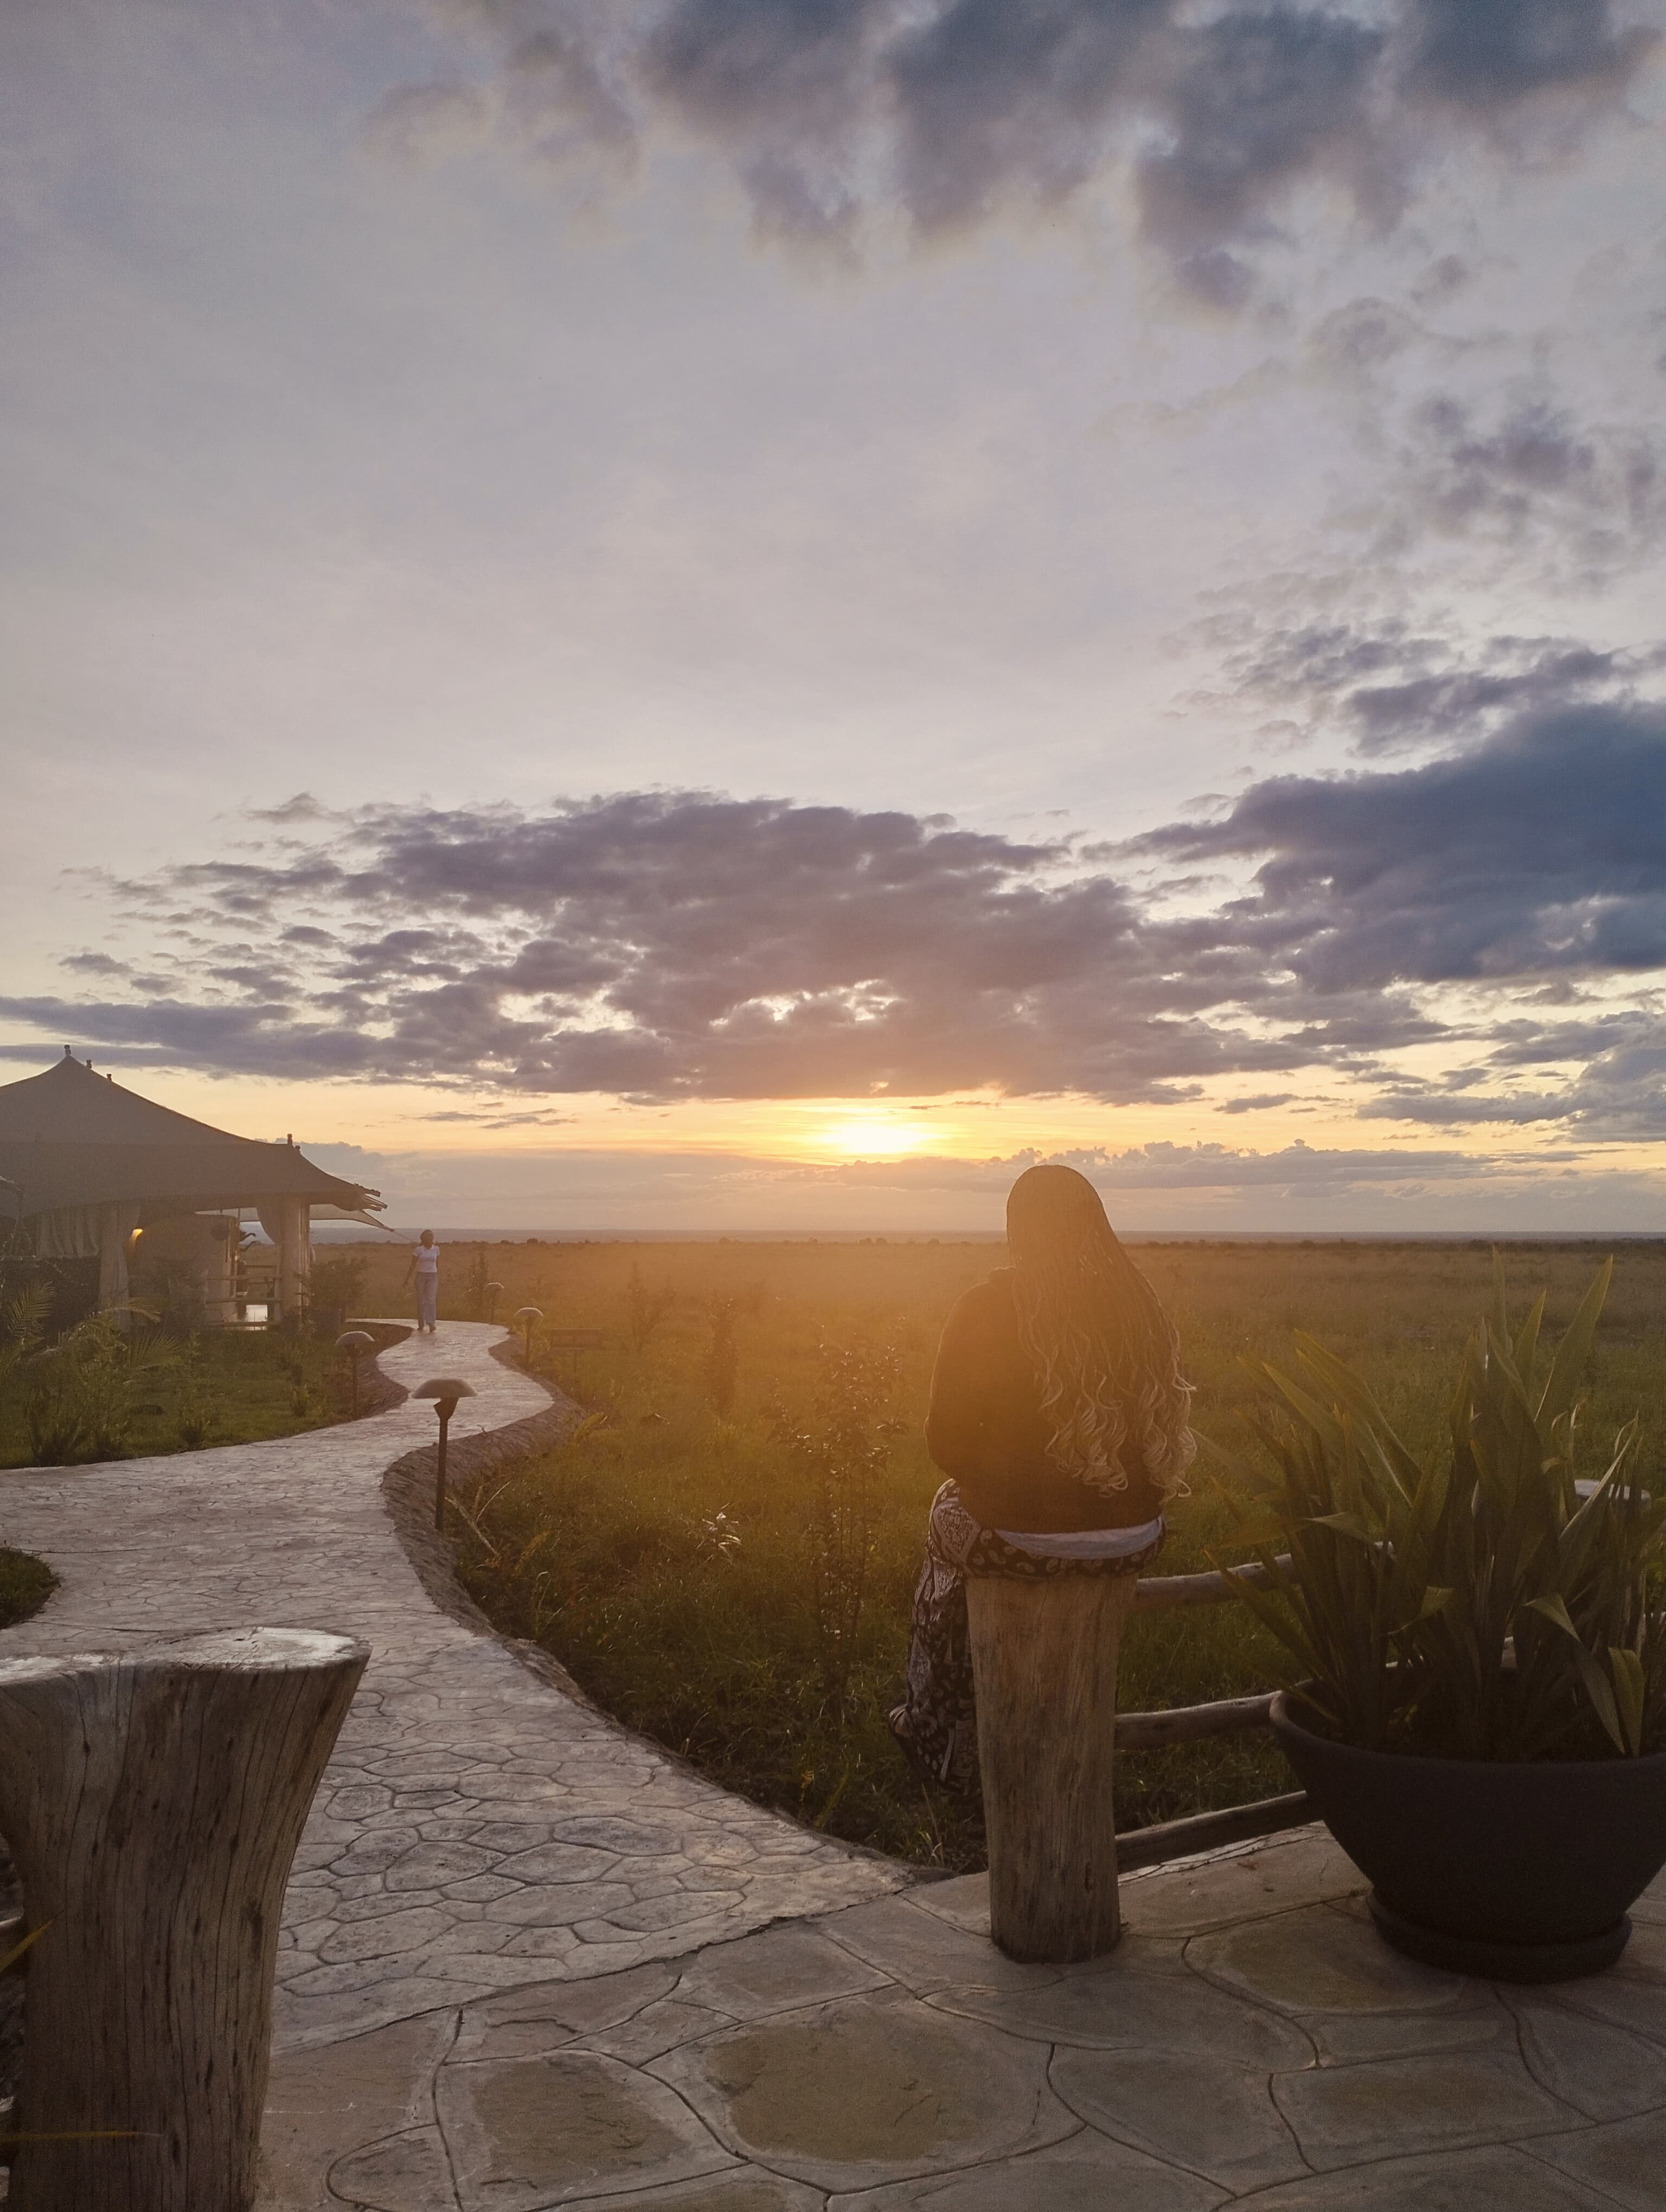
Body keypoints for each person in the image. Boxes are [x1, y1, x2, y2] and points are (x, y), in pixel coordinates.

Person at [889, 1164, 1195, 1792]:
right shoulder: (1139, 1305)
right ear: (1095, 1225)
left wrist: (1007, 1481)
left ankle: (934, 1722)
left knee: (945, 1515)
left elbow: (944, 1443)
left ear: (1017, 1229)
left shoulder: (987, 1305)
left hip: (1022, 1541)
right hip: (1137, 1537)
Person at [402, 1229, 440, 1334]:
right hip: (421, 1276)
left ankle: (431, 1323)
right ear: (423, 1238)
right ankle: (421, 1323)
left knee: (431, 1300)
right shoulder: (419, 1250)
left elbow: (437, 1264)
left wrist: (438, 1276)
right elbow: (413, 1265)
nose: (431, 1238)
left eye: (432, 1236)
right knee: (421, 1301)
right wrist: (407, 1279)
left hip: (433, 1276)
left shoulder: (436, 1249)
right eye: (428, 1236)